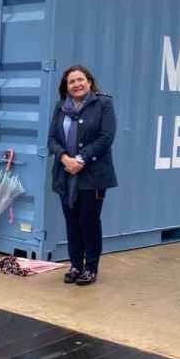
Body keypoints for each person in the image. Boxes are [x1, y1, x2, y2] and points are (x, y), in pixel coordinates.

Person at [47, 65, 117, 285]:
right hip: (65, 172)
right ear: (66, 86)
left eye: (80, 80)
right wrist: (64, 158)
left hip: (93, 174)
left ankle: (91, 267)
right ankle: (76, 264)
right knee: (71, 221)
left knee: (89, 221)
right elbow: (52, 139)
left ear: (89, 81)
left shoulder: (103, 103)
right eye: (71, 82)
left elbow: (106, 138)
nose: (76, 85)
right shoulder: (61, 107)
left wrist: (80, 159)